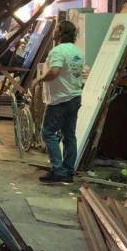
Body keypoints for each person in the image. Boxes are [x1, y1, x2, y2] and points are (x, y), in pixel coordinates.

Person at [28, 19, 84, 185]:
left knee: (48, 133)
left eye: (56, 29)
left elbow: (55, 71)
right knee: (69, 135)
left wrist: (39, 79)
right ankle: (68, 171)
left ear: (60, 32)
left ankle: (58, 170)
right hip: (74, 97)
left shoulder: (58, 51)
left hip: (60, 99)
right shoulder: (77, 51)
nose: (53, 32)